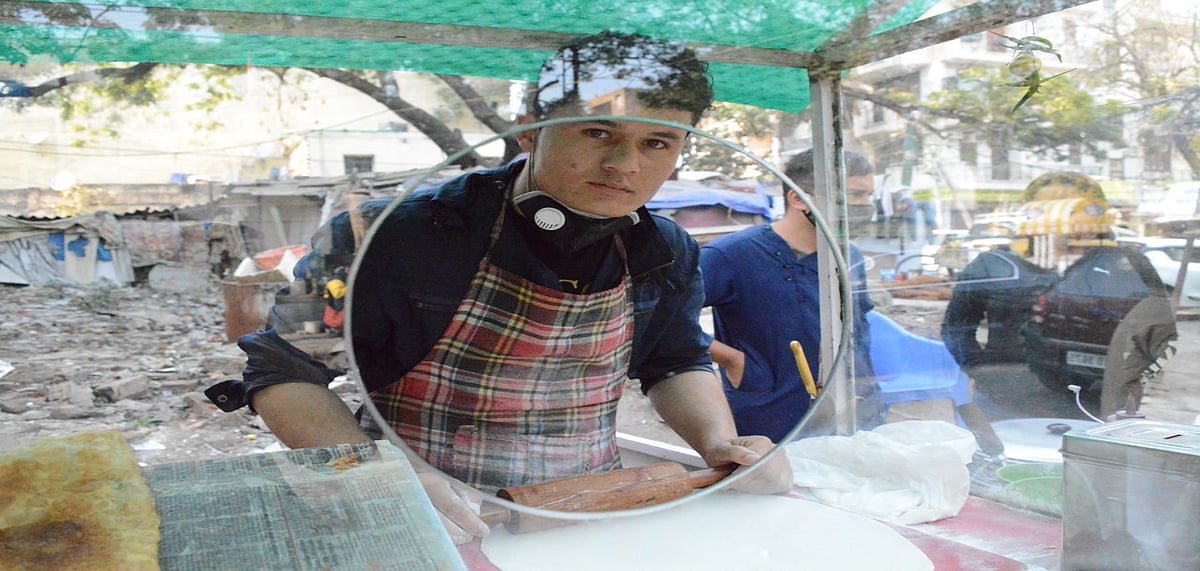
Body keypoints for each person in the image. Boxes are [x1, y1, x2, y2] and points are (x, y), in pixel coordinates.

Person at [206, 31, 791, 544]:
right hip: (424, 513)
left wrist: (721, 446)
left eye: (656, 143)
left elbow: (674, 361)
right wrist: (378, 476)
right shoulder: (394, 235)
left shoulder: (667, 250)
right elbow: (283, 371)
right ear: (529, 132)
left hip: (587, 515)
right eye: (596, 132)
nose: (625, 165)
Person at [699, 149, 886, 443]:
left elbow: (858, 327)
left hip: (854, 411)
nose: (864, 206)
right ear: (798, 197)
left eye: (867, 196)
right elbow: (661, 317)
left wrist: (866, 386)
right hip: (772, 416)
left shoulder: (848, 255)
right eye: (853, 195)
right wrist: (735, 362)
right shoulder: (731, 255)